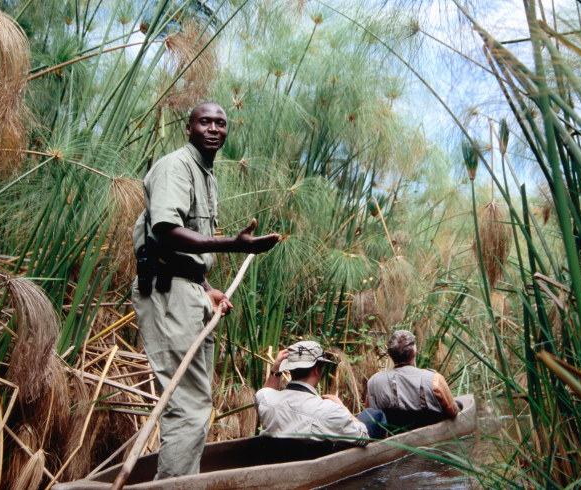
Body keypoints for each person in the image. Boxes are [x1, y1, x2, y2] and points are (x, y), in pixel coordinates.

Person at [131, 102, 280, 480]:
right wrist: (232, 244)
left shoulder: (206, 173)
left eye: (220, 123)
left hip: (189, 290)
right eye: (205, 122)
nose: (214, 128)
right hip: (167, 292)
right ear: (189, 128)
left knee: (196, 402)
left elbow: (184, 250)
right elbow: (165, 230)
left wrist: (207, 288)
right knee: (186, 405)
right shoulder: (175, 166)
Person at [255, 341, 387, 448]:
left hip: (279, 460)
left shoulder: (264, 399)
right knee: (374, 414)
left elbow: (266, 394)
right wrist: (346, 411)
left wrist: (275, 371)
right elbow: (363, 437)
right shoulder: (329, 410)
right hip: (311, 468)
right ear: (317, 369)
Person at [367, 330, 462, 433]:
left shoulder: (374, 381)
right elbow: (453, 411)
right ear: (413, 353)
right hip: (430, 436)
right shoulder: (434, 379)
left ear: (390, 355)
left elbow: (371, 416)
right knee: (459, 404)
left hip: (394, 435)